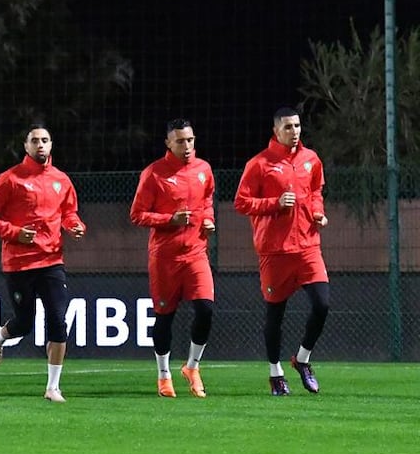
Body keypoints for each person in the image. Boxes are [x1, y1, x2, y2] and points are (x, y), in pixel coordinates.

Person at [0, 124, 85, 403]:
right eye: (35, 140)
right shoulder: (10, 179)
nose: (40, 145)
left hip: (52, 261)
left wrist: (74, 226)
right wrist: (14, 233)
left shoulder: (61, 179)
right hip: (20, 263)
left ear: (51, 145)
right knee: (25, 323)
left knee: (58, 321)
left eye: (45, 140)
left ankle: (53, 387)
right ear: (25, 146)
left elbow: (69, 213)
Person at [234, 107, 330, 396]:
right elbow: (241, 202)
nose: (294, 131)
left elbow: (316, 192)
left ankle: (302, 359)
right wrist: (274, 203)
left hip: (308, 246)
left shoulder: (311, 159)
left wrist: (317, 213)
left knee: (322, 304)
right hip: (275, 252)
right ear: (276, 131)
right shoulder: (259, 164)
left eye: (297, 125)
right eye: (288, 127)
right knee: (275, 314)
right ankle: (276, 373)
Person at [129, 119, 216, 398]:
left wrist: (209, 220)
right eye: (180, 141)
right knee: (164, 318)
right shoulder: (154, 173)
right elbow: (137, 215)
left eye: (190, 140)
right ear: (168, 143)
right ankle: (163, 375)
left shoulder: (203, 170)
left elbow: (207, 202)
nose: (187, 146)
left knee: (205, 309)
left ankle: (192, 367)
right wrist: (170, 219)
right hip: (165, 257)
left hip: (196, 253)